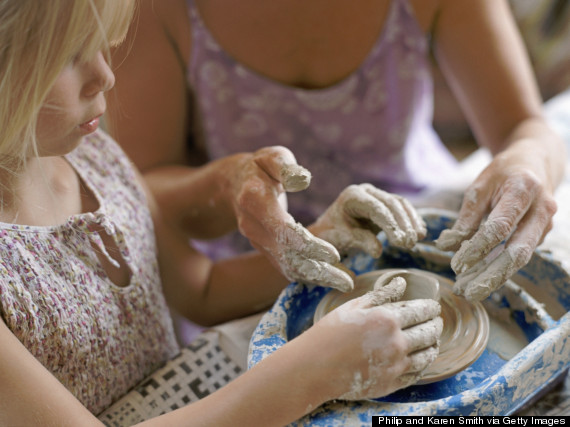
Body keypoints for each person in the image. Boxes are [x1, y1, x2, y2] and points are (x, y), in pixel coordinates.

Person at [0, 1, 442, 425]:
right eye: (70, 55)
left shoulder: (96, 159)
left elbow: (203, 291)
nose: (105, 76)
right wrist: (311, 373)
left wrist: (324, 239)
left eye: (102, 45)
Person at [108, 0, 566, 302]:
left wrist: (527, 161)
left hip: (415, 217)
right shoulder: (154, 8)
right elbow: (140, 185)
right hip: (254, 257)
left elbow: (523, 126)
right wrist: (231, 182)